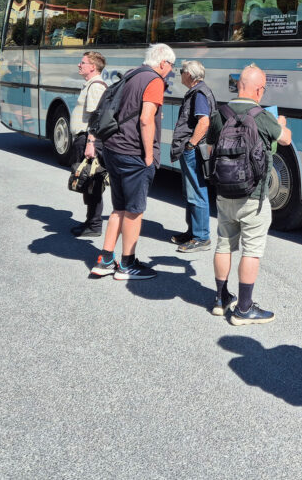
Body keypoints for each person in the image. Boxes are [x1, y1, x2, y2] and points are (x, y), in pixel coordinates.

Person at [207, 64, 291, 325]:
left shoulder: (220, 113)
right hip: (253, 196)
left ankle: (221, 300)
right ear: (258, 89)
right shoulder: (261, 115)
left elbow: (210, 150)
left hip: (223, 192)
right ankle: (244, 308)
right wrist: (281, 124)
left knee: (223, 244)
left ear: (238, 86)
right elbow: (285, 139)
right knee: (251, 251)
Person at [89, 43, 175, 281]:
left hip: (113, 149)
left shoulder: (132, 74)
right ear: (163, 63)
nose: (170, 70)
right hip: (133, 153)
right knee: (134, 212)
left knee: (119, 208)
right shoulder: (154, 81)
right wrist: (149, 156)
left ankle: (105, 260)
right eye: (171, 65)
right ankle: (127, 264)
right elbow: (146, 119)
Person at [169, 60, 216, 253]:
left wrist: (190, 145)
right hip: (192, 149)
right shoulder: (199, 91)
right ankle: (193, 232)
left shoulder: (199, 93)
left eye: (181, 71)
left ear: (189, 74)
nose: (180, 74)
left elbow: (203, 122)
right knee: (191, 191)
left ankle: (202, 237)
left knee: (197, 191)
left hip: (193, 150)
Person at [69, 52, 108, 238]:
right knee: (87, 182)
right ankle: (90, 221)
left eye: (82, 62)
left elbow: (96, 119)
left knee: (92, 182)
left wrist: (91, 143)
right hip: (84, 139)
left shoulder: (96, 87)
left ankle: (94, 225)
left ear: (93, 67)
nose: (79, 65)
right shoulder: (91, 85)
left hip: (88, 140)